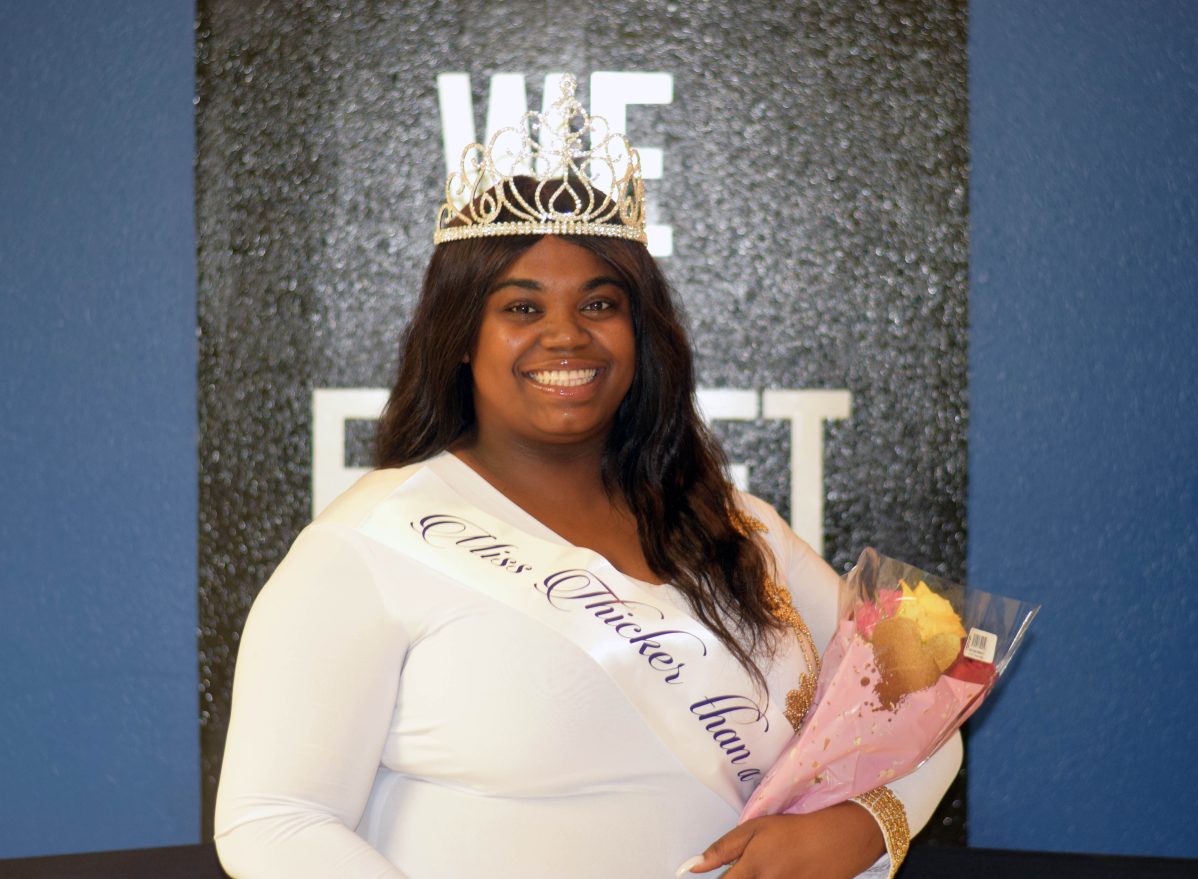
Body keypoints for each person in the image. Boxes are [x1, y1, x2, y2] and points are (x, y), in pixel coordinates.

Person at [214, 75, 961, 879]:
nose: (566, 336)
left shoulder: (738, 524)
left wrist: (861, 828)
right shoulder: (370, 542)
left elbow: (924, 703)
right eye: (523, 309)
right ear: (462, 335)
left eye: (600, 305)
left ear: (640, 332)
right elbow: (274, 818)